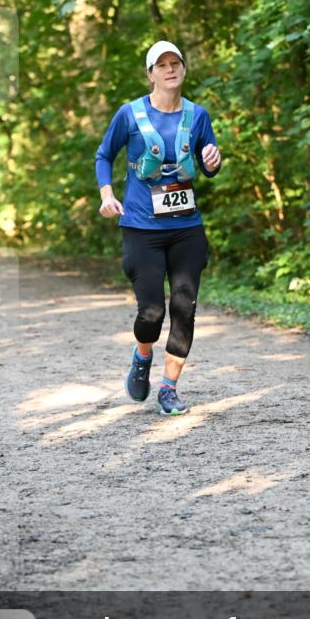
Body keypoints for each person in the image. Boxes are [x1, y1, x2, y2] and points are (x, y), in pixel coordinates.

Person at [95, 40, 222, 415]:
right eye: (161, 65)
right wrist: (107, 194)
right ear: (150, 73)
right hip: (140, 227)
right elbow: (104, 155)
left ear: (183, 69)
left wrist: (213, 161)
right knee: (151, 312)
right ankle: (142, 353)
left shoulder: (197, 116)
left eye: (175, 63)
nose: (170, 69)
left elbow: (209, 161)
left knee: (185, 307)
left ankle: (169, 388)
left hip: (187, 227)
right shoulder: (130, 114)